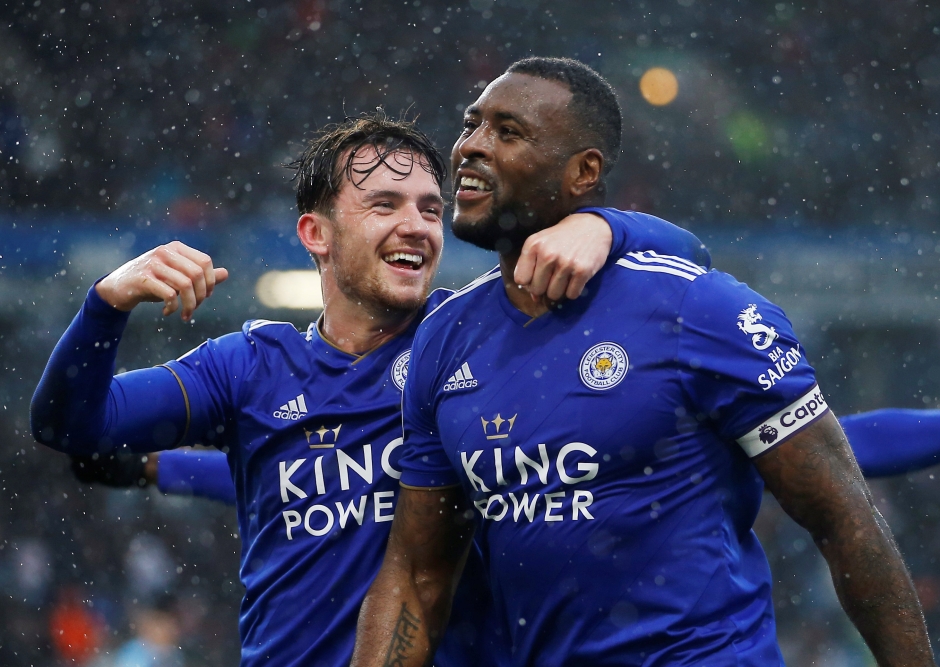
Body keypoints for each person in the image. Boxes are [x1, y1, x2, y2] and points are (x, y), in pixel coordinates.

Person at [31, 111, 709, 667]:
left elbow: (687, 259)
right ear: (315, 233)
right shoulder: (246, 367)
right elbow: (72, 426)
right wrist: (105, 305)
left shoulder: (479, 339)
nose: (416, 225)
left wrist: (604, 225)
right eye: (384, 204)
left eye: (429, 208)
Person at [350, 58, 933, 667]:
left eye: (508, 131)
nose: (470, 146)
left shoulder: (695, 308)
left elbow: (842, 518)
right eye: (471, 124)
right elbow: (417, 579)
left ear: (584, 172)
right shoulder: (445, 339)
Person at [70, 403, 940, 506]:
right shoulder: (460, 396)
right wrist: (161, 467)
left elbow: (827, 440)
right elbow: (308, 477)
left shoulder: (652, 401)